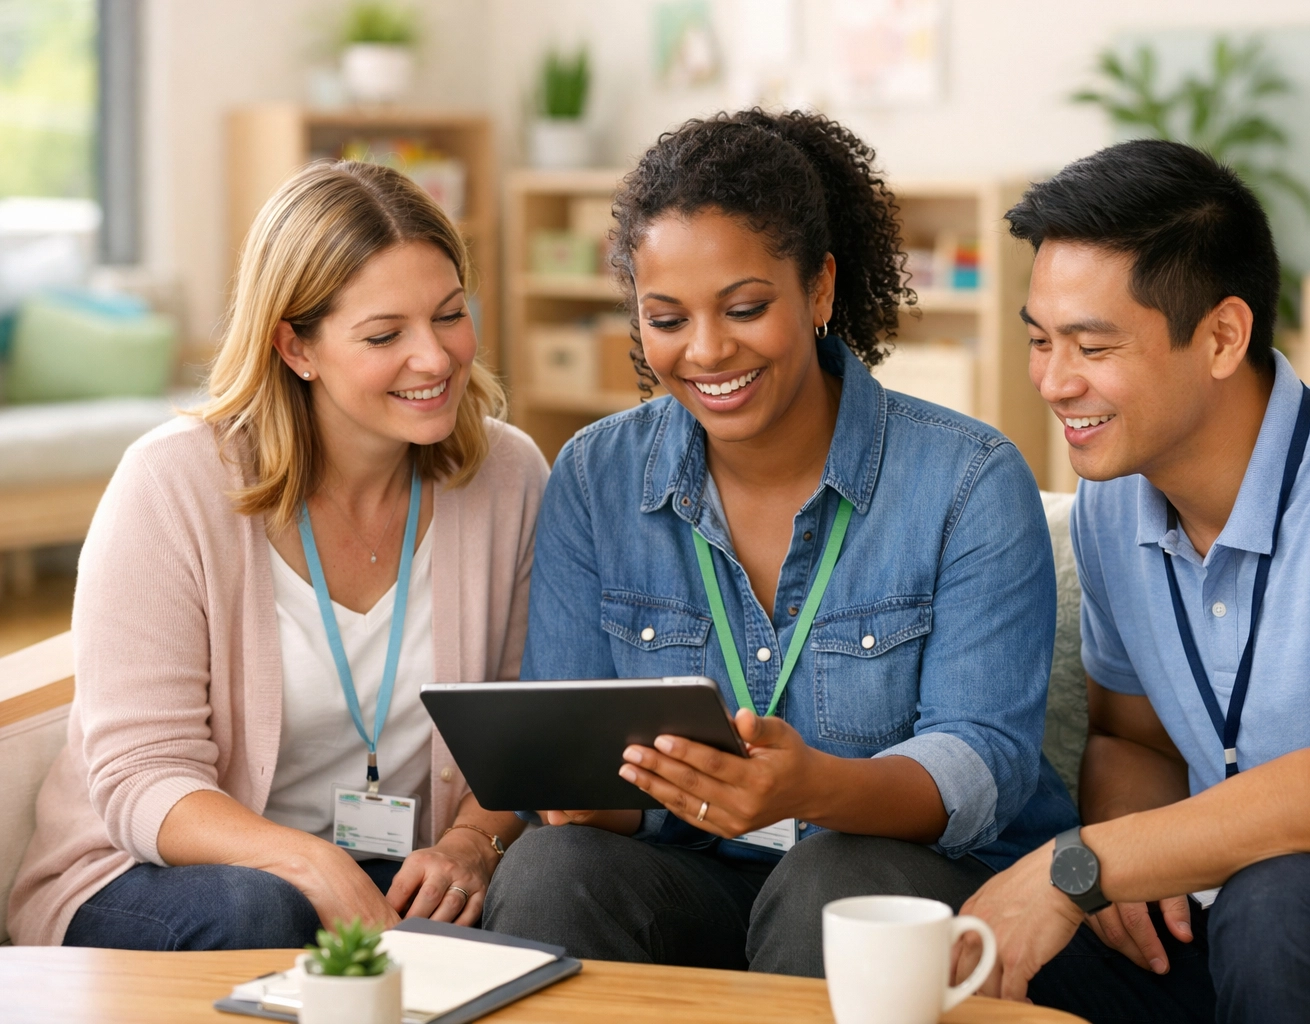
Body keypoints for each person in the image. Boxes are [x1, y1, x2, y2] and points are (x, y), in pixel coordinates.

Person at [479, 109, 1078, 976]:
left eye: (746, 307)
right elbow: (580, 743)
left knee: (832, 880)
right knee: (550, 869)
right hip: (689, 877)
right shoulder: (593, 475)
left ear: (821, 289)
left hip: (901, 876)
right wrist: (582, 799)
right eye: (667, 318)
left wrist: (814, 789)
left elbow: (983, 762)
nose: (708, 350)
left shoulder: (968, 480)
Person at [952, 139, 1310, 1022]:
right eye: (1040, 341)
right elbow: (1134, 739)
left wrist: (1083, 865)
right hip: (1244, 915)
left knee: (1287, 905)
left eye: (1093, 345)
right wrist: (1126, 882)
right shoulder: (1115, 501)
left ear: (1222, 335)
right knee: (971, 937)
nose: (1054, 381)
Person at [7, 161, 548, 949]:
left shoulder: (509, 475)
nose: (434, 359)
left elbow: (527, 720)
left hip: (392, 876)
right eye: (384, 335)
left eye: (450, 315)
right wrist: (311, 865)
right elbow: (142, 778)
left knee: (551, 891)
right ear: (296, 347)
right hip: (156, 872)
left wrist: (471, 844)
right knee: (266, 912)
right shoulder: (172, 484)